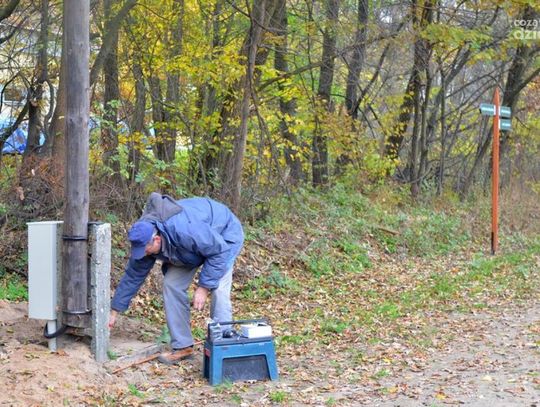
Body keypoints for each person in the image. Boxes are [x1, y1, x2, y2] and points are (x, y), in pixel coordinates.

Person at [108, 192, 244, 364]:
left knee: (218, 289)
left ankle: (224, 347)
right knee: (172, 284)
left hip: (223, 236)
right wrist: (114, 310)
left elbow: (219, 251)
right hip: (189, 250)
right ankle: (183, 346)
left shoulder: (185, 230)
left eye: (145, 250)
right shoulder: (144, 237)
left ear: (157, 239)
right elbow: (132, 276)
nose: (143, 254)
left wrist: (203, 287)